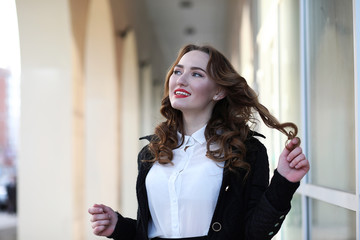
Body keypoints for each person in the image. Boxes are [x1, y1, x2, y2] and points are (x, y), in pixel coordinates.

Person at [88, 44, 310, 240]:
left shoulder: (246, 151)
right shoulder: (152, 152)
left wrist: (284, 182)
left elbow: (255, 233)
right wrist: (117, 226)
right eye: (177, 71)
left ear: (219, 91)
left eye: (196, 74)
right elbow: (149, 229)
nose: (181, 80)